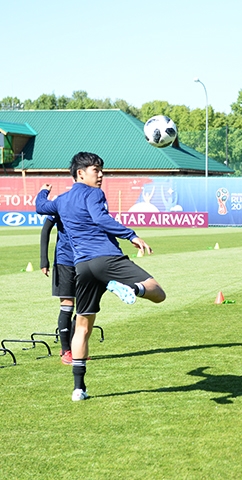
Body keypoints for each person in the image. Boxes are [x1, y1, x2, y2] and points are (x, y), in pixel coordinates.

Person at [36, 152, 166, 402]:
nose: (101, 174)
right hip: (107, 259)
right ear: (80, 173)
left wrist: (43, 191)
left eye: (101, 170)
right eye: (96, 170)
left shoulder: (61, 200)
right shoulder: (94, 193)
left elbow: (41, 207)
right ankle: (132, 290)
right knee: (157, 292)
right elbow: (100, 218)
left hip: (82, 266)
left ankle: (78, 388)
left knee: (83, 328)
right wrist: (131, 235)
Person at [40, 214, 76, 365]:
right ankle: (66, 350)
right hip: (65, 261)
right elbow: (46, 229)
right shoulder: (61, 203)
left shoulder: (89, 202)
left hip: (86, 260)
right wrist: (44, 259)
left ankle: (76, 347)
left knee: (85, 308)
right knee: (67, 304)